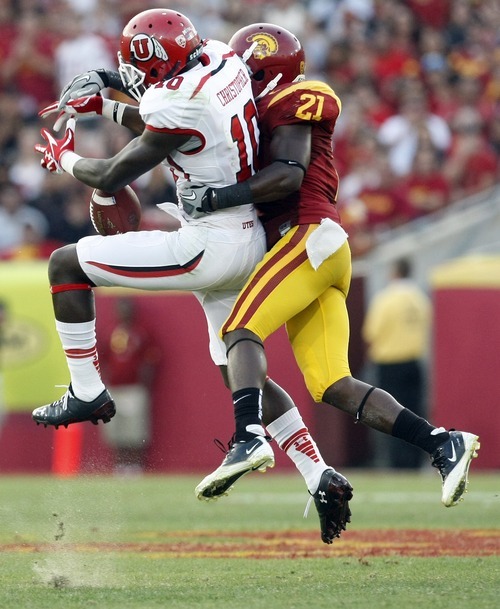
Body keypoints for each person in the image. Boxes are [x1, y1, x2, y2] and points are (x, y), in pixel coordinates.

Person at [33, 9, 345, 544]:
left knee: (66, 263)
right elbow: (165, 111)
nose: (138, 73)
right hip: (247, 237)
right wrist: (109, 95)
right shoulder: (223, 58)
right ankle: (320, 475)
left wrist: (65, 158)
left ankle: (88, 390)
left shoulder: (174, 100)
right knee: (238, 373)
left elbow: (114, 170)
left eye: (140, 66)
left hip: (209, 243)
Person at [180, 23, 480, 513]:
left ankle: (247, 438)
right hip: (314, 251)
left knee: (238, 330)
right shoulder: (254, 112)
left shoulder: (298, 96)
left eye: (243, 69)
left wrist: (218, 196)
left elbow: (289, 174)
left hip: (307, 235)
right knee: (332, 385)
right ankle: (442, 443)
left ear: (260, 67)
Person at [362, 258, 431, 469]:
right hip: (414, 361)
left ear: (394, 272)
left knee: (391, 413)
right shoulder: (420, 299)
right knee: (416, 411)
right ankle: (416, 460)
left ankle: (397, 462)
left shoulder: (386, 299)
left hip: (390, 363)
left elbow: (371, 332)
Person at [99, 296, 161, 474]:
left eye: (127, 308)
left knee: (135, 428)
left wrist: (145, 381)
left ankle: (135, 465)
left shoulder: (141, 331)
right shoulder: (110, 331)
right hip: (114, 388)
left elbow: (151, 357)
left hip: (134, 387)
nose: (124, 312)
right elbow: (102, 357)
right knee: (115, 428)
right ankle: (120, 465)